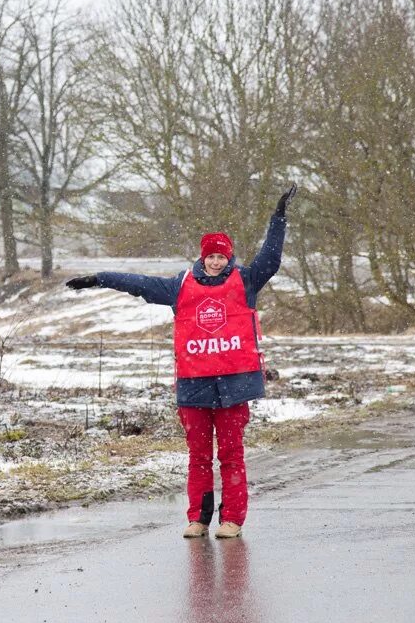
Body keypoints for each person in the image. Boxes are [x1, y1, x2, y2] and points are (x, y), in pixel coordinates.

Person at [66, 184, 296, 539]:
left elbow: (271, 257)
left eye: (222, 256)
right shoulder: (180, 286)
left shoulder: (247, 280)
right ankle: (198, 518)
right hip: (194, 384)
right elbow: (139, 283)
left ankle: (231, 519)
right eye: (211, 256)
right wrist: (100, 279)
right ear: (203, 257)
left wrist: (278, 217)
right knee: (198, 457)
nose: (216, 262)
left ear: (229, 258)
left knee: (232, 456)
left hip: (234, 384)